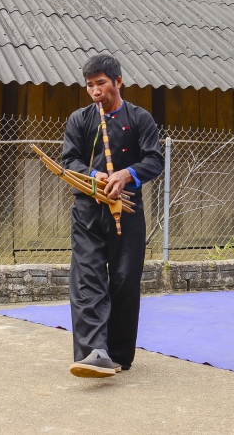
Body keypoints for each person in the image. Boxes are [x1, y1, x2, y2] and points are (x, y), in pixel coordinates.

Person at [61, 53, 164, 378]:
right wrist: (96, 178)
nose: (95, 90)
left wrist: (125, 175)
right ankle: (95, 353)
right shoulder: (80, 119)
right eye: (90, 85)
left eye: (101, 83)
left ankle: (118, 355)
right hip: (88, 211)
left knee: (123, 280)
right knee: (88, 278)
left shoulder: (139, 118)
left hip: (127, 210)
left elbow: (154, 160)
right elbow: (69, 161)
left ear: (118, 82)